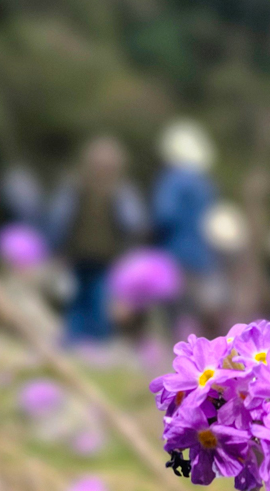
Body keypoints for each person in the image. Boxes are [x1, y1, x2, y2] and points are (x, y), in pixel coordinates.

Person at [50, 136, 146, 342]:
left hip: (100, 258)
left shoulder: (90, 187)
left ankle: (85, 344)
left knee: (90, 302)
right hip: (87, 257)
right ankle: (83, 344)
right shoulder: (110, 188)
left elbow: (59, 221)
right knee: (86, 302)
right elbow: (134, 224)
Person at [151, 120, 222, 327]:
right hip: (201, 254)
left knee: (171, 310)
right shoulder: (206, 183)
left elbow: (164, 215)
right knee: (196, 310)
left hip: (174, 250)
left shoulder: (173, 179)